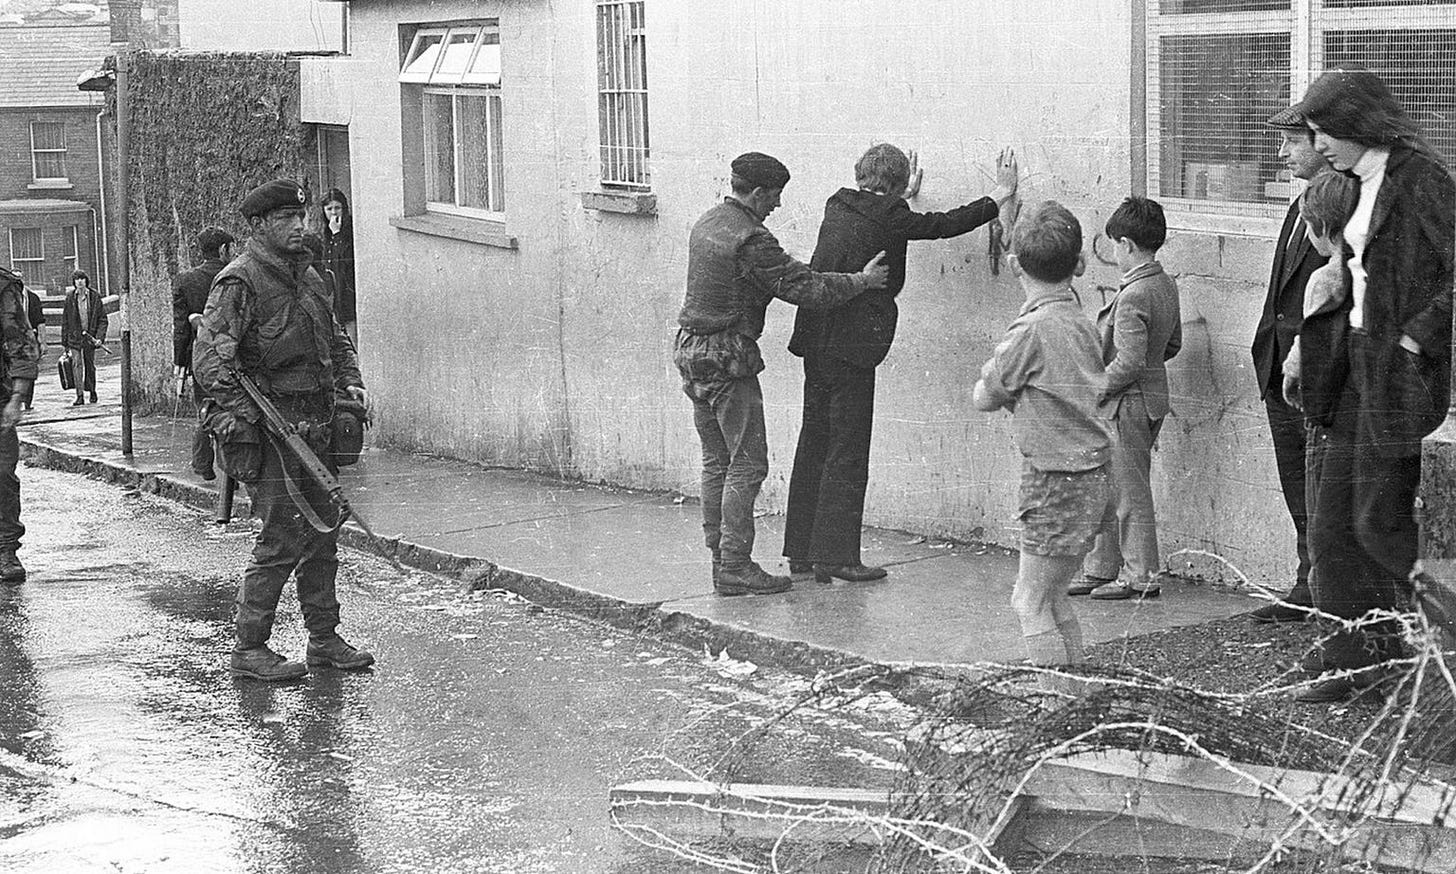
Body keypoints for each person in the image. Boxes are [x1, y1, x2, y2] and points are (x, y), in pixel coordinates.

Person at [1287, 67, 1454, 704]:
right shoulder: (1358, 179)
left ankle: (1436, 661)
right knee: (1333, 529)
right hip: (1357, 365)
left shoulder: (1420, 177)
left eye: (1325, 130)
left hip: (1399, 375)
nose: (1317, 143)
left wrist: (1417, 336)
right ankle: (1353, 665)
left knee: (1381, 526)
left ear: (1359, 125)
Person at [783, 143, 1018, 584]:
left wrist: (900, 198)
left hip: (816, 338)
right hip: (853, 344)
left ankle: (802, 549)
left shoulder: (838, 205)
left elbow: (878, 222)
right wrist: (999, 195)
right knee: (848, 448)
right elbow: (943, 225)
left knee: (814, 438)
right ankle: (837, 557)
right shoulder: (891, 215)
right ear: (894, 183)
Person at [674, 152, 889, 597]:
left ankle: (721, 560)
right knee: (748, 464)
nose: (776, 205)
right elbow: (806, 288)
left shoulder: (708, 222)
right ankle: (736, 564)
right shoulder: (752, 240)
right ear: (756, 193)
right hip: (727, 356)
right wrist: (862, 282)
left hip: (691, 350)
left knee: (717, 461)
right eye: (774, 196)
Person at [194, 178, 372, 682]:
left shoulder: (308, 276)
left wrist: (351, 383)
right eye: (287, 221)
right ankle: (250, 648)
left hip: (315, 425)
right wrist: (259, 418)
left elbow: (334, 337)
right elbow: (210, 363)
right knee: (279, 539)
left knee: (323, 533)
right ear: (259, 226)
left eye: (302, 218)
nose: (300, 226)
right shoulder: (240, 282)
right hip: (269, 433)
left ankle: (324, 639)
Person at [971, 201, 1111, 694]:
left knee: (1028, 600)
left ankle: (1057, 706)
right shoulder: (1078, 318)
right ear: (1079, 264)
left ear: (1014, 265)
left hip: (1054, 480)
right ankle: (1076, 698)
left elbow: (984, 397)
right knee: (1055, 598)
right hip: (1093, 474)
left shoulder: (1029, 331)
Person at [1071, 196, 1182, 600]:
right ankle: (1102, 568)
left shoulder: (1134, 293)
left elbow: (1130, 361)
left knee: (1130, 493)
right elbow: (1172, 345)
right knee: (1113, 487)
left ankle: (1141, 576)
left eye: (1116, 244)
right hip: (1149, 398)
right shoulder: (1164, 283)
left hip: (1125, 403)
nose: (1115, 252)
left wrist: (1095, 387)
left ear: (1128, 245)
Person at [1247, 106, 1331, 623]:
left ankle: (1329, 593)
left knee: (1321, 486)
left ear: (1321, 144)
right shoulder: (1297, 205)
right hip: (1278, 366)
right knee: (1296, 485)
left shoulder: (1340, 209)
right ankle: (1306, 583)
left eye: (1291, 143)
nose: (1281, 154)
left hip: (1314, 371)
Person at [172, 226, 235, 480]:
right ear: (223, 250)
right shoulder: (234, 275)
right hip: (233, 355)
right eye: (232, 248)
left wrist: (180, 362)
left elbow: (180, 328)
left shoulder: (186, 281)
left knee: (205, 408)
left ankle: (202, 464)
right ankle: (231, 468)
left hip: (200, 358)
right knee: (233, 410)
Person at [0, 266, 39, 583]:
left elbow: (21, 341)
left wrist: (17, 396)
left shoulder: (2, 288)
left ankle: (6, 550)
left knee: (1, 475)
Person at [60, 270, 106, 406]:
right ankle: (79, 395)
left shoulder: (94, 297)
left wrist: (99, 338)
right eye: (76, 279)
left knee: (89, 365)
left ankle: (92, 390)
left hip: (90, 337)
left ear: (86, 281)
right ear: (74, 282)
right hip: (75, 338)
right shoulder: (70, 298)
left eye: (82, 279)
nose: (79, 281)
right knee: (77, 364)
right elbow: (65, 320)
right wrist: (65, 342)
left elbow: (102, 319)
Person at [321, 189, 357, 349]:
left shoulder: (349, 230)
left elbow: (343, 261)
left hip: (348, 290)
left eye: (337, 208)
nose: (334, 212)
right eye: (329, 209)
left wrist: (337, 234)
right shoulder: (325, 232)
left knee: (353, 334)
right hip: (335, 292)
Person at [20, 286, 43, 411]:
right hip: (13, 339)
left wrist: (42, 341)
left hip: (30, 339)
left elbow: (40, 320)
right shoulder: (7, 297)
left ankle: (28, 401)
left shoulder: (32, 298)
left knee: (29, 370)